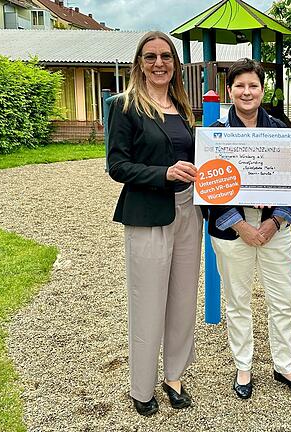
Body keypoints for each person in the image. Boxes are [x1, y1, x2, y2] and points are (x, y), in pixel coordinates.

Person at [107, 31, 201, 417]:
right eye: (151, 57)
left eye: (166, 56)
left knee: (182, 300)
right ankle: (141, 387)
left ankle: (174, 377)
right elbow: (118, 166)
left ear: (175, 64)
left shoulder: (184, 106)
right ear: (139, 63)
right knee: (147, 305)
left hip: (188, 213)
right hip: (148, 214)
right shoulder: (125, 106)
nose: (159, 63)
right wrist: (165, 173)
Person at [206, 58, 291, 400]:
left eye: (253, 85)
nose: (247, 92)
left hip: (274, 229)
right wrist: (240, 226)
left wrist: (273, 221)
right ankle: (243, 365)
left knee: (282, 298)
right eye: (240, 86)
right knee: (238, 301)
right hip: (231, 229)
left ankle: (284, 364)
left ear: (262, 89)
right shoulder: (216, 134)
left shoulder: (280, 129)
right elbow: (211, 187)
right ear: (230, 90)